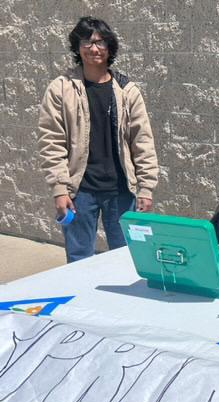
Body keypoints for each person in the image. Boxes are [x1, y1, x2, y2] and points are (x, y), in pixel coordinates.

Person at [39, 16, 159, 263]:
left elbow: (143, 142)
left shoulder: (127, 91)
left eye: (100, 42)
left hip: (122, 191)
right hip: (79, 192)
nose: (94, 48)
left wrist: (146, 188)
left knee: (127, 260)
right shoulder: (61, 89)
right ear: (77, 46)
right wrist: (59, 189)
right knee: (79, 261)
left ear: (109, 47)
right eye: (87, 41)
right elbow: (51, 142)